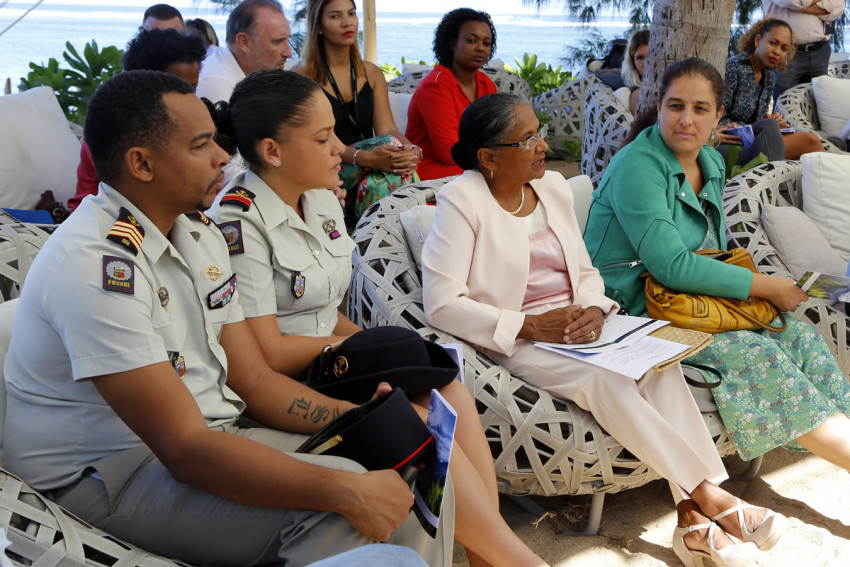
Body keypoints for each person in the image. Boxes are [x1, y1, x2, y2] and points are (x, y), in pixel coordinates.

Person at [4, 69, 456, 566]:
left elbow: (252, 379)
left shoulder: (197, 233)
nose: (223, 156)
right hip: (112, 472)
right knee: (340, 511)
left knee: (409, 459)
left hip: (212, 433)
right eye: (201, 146)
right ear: (142, 163)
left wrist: (359, 418)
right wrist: (343, 489)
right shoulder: (96, 268)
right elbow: (183, 448)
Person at [422, 92, 786, 567]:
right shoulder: (461, 200)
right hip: (516, 336)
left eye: (540, 132)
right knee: (606, 380)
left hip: (582, 325)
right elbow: (442, 305)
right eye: (528, 138)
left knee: (660, 365)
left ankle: (691, 522)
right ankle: (711, 497)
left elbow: (587, 272)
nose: (542, 144)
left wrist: (595, 309)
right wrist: (530, 325)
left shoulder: (552, 187)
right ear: (488, 157)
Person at [205, 69, 548, 567]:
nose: (340, 148)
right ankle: (516, 560)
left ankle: (486, 556)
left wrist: (378, 351)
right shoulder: (238, 223)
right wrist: (368, 351)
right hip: (285, 383)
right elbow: (269, 353)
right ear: (273, 152)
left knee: (449, 393)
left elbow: (327, 311)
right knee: (415, 421)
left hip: (333, 362)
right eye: (324, 138)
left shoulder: (319, 197)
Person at [583, 57, 850, 489]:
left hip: (692, 303)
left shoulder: (710, 161)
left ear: (718, 116)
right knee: (755, 352)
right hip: (631, 311)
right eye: (675, 106)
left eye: (700, 109)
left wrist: (754, 297)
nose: (686, 120)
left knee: (799, 336)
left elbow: (715, 250)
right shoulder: (639, 165)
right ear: (660, 107)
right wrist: (765, 286)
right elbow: (670, 265)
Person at [294, 0, 422, 220]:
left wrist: (411, 150)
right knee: (389, 156)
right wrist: (364, 158)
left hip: (371, 168)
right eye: (335, 16)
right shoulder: (302, 78)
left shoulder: (371, 73)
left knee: (382, 175)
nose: (347, 22)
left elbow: (388, 129)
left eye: (351, 13)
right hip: (328, 169)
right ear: (319, 26)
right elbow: (313, 143)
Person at [69, 28, 207, 212]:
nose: (190, 97)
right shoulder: (113, 130)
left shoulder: (176, 124)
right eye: (178, 89)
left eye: (193, 88)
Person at [405, 8, 499, 180]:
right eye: (471, 40)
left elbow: (497, 135)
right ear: (452, 42)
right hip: (434, 172)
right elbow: (447, 153)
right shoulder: (436, 85)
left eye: (486, 43)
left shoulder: (486, 84)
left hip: (474, 167)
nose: (480, 48)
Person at [720, 18, 825, 160]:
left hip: (754, 137)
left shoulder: (768, 73)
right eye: (773, 43)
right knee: (809, 143)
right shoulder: (734, 68)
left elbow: (754, 118)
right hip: (730, 141)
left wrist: (770, 121)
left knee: (809, 142)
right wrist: (763, 125)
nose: (777, 52)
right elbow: (716, 115)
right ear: (758, 40)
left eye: (784, 48)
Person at [196, 0, 292, 104]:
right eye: (277, 42)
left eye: (288, 40)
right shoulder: (215, 84)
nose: (288, 53)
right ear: (244, 42)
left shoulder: (259, 72)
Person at [763, 0, 846, 95]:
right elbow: (792, 1)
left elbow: (838, 6)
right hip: (787, 53)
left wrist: (801, 8)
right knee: (786, 102)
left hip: (820, 51)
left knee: (819, 101)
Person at [621, 28, 650, 116]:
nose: (646, 63)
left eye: (650, 55)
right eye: (640, 57)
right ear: (632, 62)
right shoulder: (638, 95)